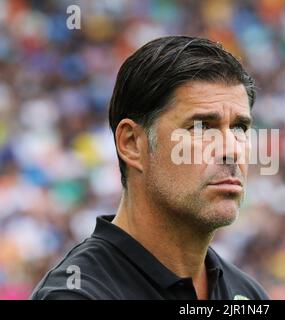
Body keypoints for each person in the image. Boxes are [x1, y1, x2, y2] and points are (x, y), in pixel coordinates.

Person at [30, 36, 269, 300]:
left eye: (240, 128)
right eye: (202, 127)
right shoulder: (77, 294)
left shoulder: (248, 295)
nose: (231, 150)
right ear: (132, 144)